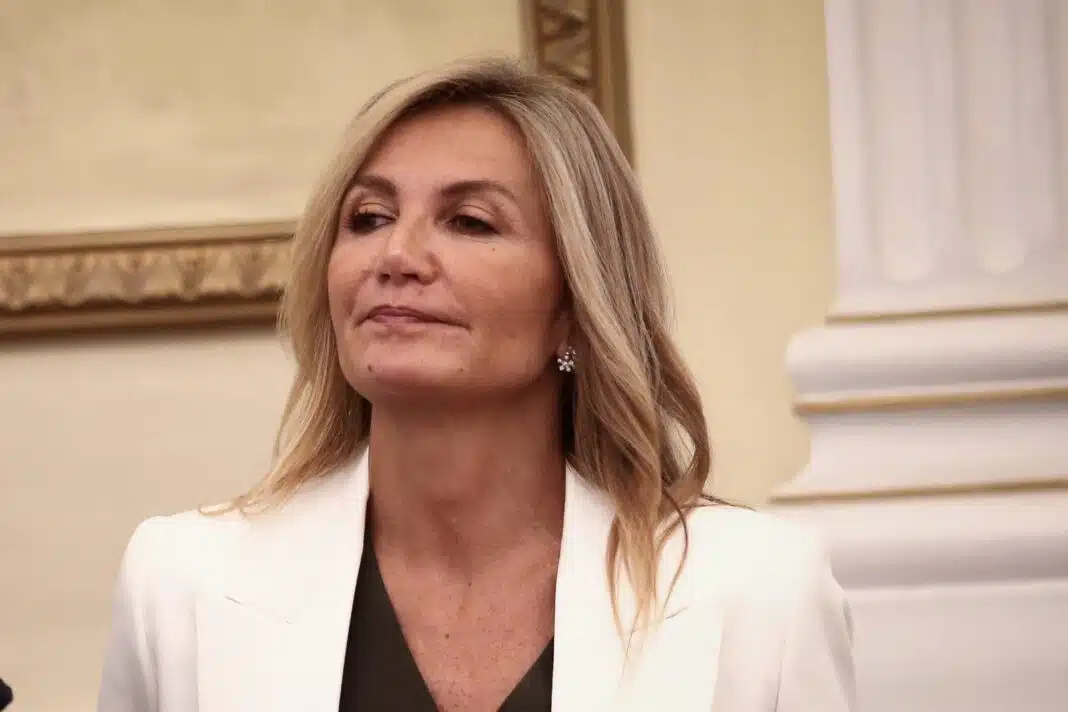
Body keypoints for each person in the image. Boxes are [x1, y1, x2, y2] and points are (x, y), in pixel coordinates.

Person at [97, 58, 855, 712]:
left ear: (575, 307)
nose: (397, 255)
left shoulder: (760, 590)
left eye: (469, 222)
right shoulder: (181, 581)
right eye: (368, 217)